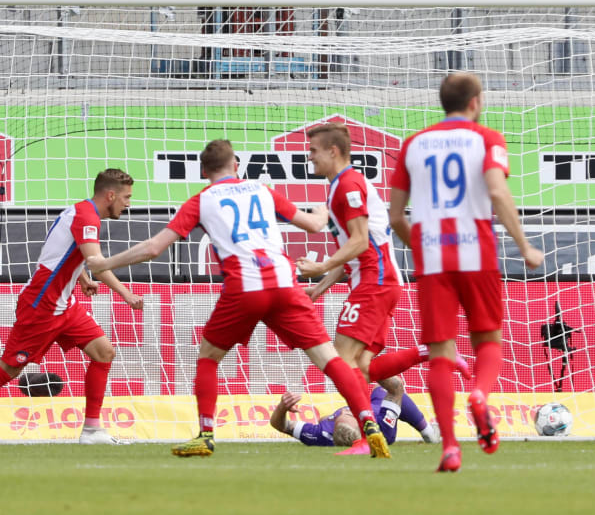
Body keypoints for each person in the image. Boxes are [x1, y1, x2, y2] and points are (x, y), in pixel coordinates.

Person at [86, 139, 388, 458]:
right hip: (285, 284)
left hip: (244, 287)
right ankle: (368, 423)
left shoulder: (201, 201)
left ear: (204, 172)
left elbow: (153, 248)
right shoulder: (261, 190)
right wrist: (322, 211)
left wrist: (105, 263)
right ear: (236, 166)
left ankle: (205, 434)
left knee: (208, 357)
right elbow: (313, 225)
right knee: (330, 359)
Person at [388, 72, 544, 472]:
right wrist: (524, 245)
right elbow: (496, 191)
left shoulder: (413, 145)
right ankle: (478, 394)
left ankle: (450, 447)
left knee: (441, 354)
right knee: (488, 340)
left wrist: (421, 250)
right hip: (477, 254)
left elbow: (395, 216)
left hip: (434, 259)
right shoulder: (487, 138)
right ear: (476, 101)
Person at [296, 123, 453, 396]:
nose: (309, 156)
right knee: (362, 367)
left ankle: (365, 429)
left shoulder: (348, 185)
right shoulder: (341, 185)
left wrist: (321, 266)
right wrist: (320, 288)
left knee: (341, 361)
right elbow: (353, 253)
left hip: (374, 281)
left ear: (333, 151)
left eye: (313, 150)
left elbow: (359, 241)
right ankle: (429, 352)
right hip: (377, 281)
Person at [0, 168, 143, 445]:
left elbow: (64, 254)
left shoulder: (78, 211)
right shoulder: (87, 217)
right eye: (126, 197)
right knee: (9, 370)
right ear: (110, 195)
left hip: (65, 304)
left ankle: (91, 431)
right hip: (42, 304)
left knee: (104, 352)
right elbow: (97, 262)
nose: (128, 203)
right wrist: (126, 293)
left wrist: (83, 279)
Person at [269, 381, 440, 454]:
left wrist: (282, 408)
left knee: (323, 418)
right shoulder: (381, 427)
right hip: (382, 414)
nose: (348, 411)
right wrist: (376, 368)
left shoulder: (320, 435)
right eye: (351, 414)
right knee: (384, 390)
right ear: (363, 428)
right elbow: (396, 389)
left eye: (342, 416)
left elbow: (280, 425)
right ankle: (428, 432)